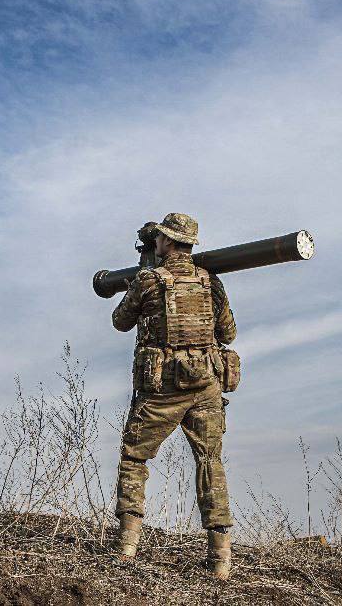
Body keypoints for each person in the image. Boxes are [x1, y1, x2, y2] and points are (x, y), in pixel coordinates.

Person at [110, 212, 237, 579]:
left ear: (165, 242)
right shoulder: (210, 282)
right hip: (206, 384)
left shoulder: (149, 280)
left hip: (164, 386)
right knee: (210, 461)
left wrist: (139, 278)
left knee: (134, 457)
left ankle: (128, 547)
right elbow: (227, 333)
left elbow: (120, 321)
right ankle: (221, 559)